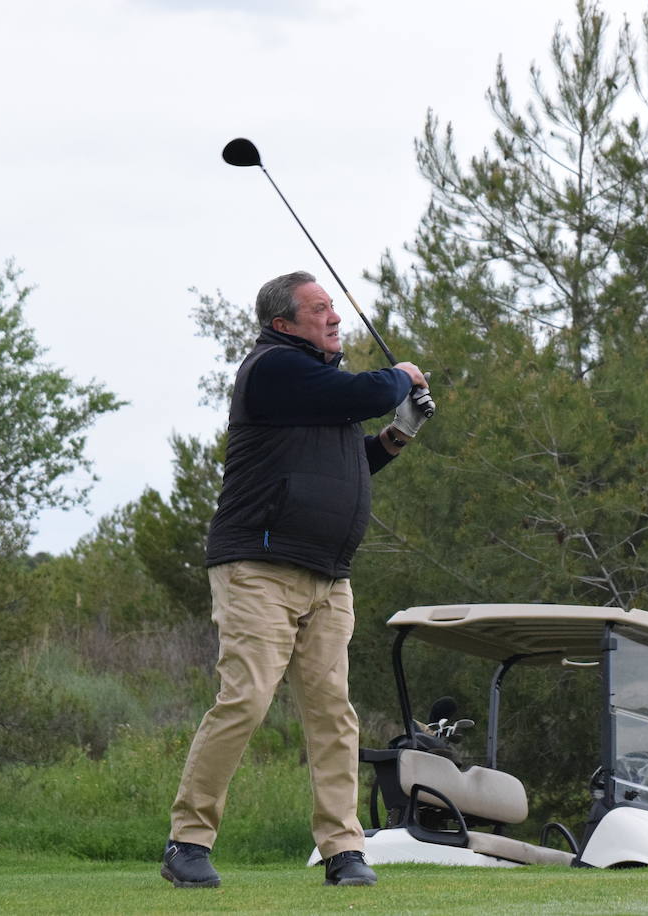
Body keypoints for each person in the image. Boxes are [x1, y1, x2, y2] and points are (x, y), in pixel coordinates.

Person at [161, 270, 432, 889]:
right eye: (318, 309)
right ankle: (187, 842)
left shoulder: (319, 390)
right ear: (283, 323)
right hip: (258, 567)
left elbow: (349, 465)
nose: (334, 317)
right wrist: (403, 377)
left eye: (333, 306)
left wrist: (398, 433)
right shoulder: (273, 370)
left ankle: (343, 851)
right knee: (246, 698)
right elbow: (361, 394)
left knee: (334, 714)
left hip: (328, 578)